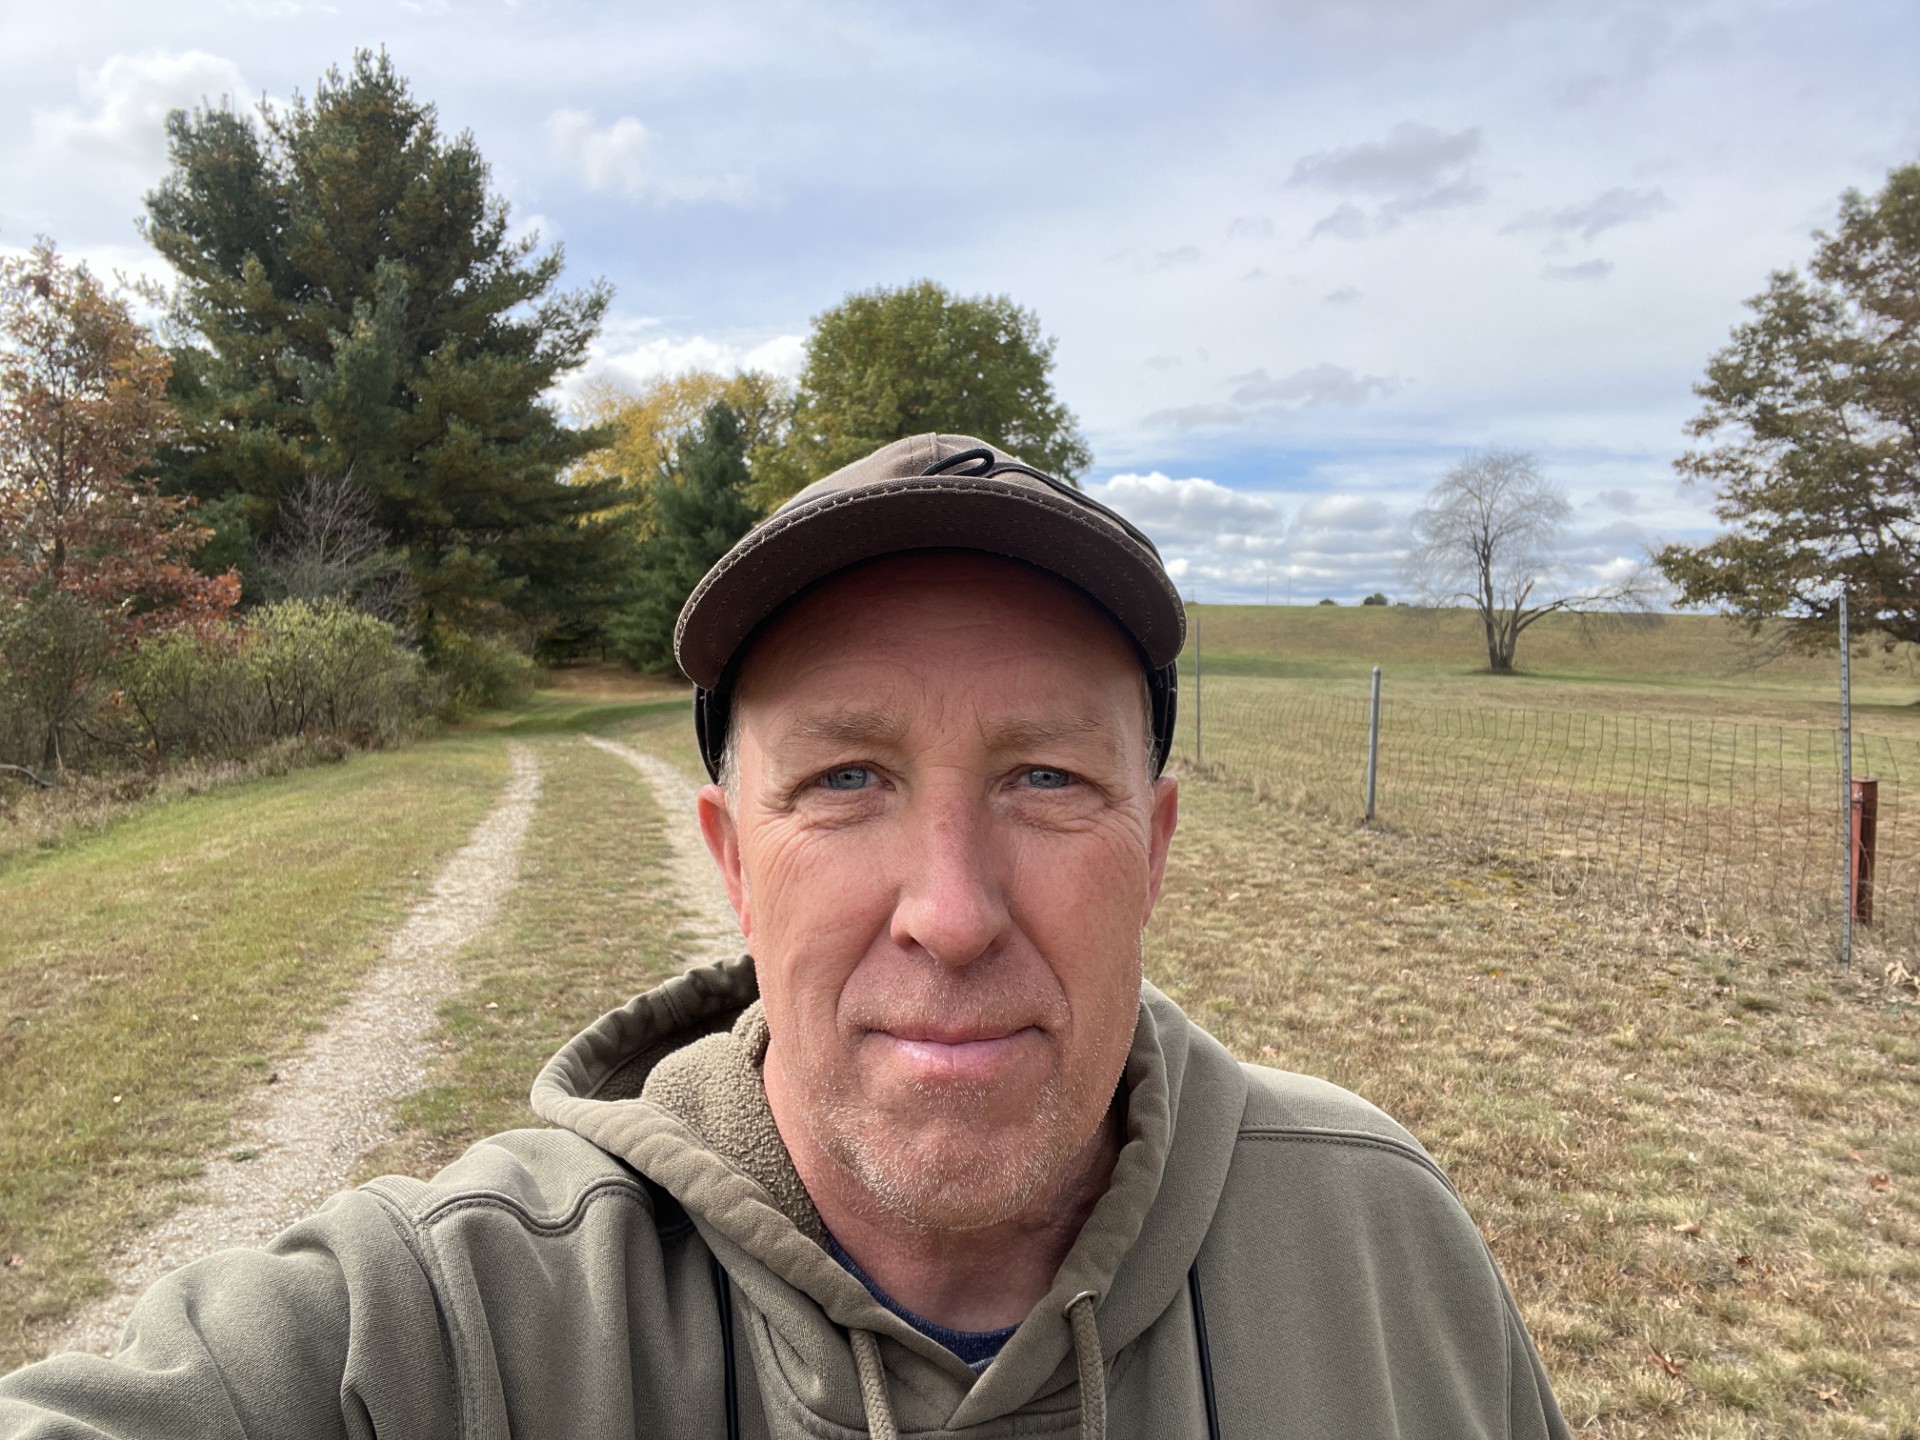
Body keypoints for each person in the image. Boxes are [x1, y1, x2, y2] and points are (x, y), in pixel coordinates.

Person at [0, 434, 1569, 1438]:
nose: (950, 914)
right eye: (844, 779)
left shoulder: (1384, 1254)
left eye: (1043, 777)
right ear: (732, 866)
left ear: (1152, 852)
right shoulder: (459, 1323)